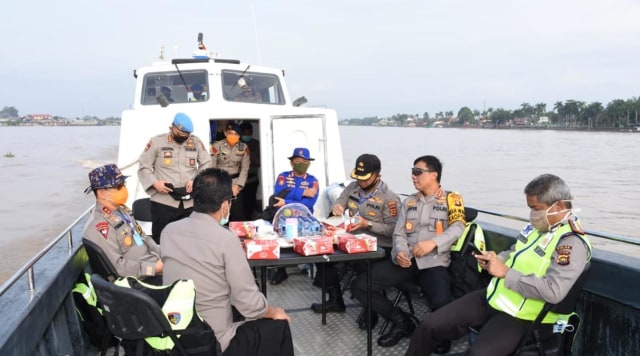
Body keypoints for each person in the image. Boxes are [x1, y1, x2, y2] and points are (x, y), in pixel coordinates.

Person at [406, 174, 592, 356]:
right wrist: (497, 259)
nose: (532, 215)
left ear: (558, 205)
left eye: (536, 208)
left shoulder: (571, 243)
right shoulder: (539, 228)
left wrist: (505, 272)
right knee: (429, 326)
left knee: (479, 353)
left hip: (524, 317)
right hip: (494, 296)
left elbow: (553, 291)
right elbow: (515, 250)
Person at [161, 168, 294, 356]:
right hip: (213, 339)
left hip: (177, 333)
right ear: (225, 205)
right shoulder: (226, 239)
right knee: (278, 326)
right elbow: (249, 303)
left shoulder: (168, 231)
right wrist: (274, 313)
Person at [351, 155, 466, 348]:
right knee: (360, 286)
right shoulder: (409, 202)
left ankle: (439, 334)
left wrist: (433, 243)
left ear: (433, 174)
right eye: (412, 172)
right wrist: (400, 253)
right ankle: (402, 321)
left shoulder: (452, 199)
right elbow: (399, 234)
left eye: (417, 172)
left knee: (441, 303)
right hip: (407, 261)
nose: (413, 177)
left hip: (434, 262)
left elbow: (458, 228)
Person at [310, 154, 400, 316]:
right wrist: (337, 207)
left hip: (379, 246)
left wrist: (368, 224)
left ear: (377, 175)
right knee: (322, 254)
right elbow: (340, 201)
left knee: (361, 265)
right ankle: (335, 299)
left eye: (365, 178)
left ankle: (370, 307)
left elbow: (393, 230)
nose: (361, 181)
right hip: (352, 240)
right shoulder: (353, 187)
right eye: (359, 177)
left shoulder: (390, 198)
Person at [82, 164, 162, 284]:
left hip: (154, 264)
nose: (123, 189)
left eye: (123, 184)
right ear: (101, 193)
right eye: (118, 186)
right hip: (141, 279)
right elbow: (118, 267)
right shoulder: (100, 226)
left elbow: (143, 237)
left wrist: (165, 255)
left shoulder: (122, 210)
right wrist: (154, 269)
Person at [138, 112, 212, 243]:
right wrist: (155, 183)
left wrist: (196, 179)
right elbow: (144, 167)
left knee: (192, 239)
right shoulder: (157, 142)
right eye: (179, 134)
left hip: (190, 201)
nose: (182, 138)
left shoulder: (195, 142)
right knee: (163, 239)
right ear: (172, 127)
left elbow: (206, 162)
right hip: (164, 201)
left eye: (185, 136)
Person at [269, 147, 320, 285]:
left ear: (309, 163)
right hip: (284, 217)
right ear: (292, 162)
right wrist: (302, 192)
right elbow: (279, 197)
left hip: (304, 218)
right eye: (298, 160)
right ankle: (280, 270)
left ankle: (317, 271)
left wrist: (287, 200)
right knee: (276, 232)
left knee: (314, 231)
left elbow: (309, 204)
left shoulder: (313, 181)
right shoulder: (283, 177)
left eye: (304, 161)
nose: (301, 163)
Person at [210, 123, 251, 221]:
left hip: (235, 183)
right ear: (225, 133)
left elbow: (245, 169)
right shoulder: (217, 146)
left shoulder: (243, 147)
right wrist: (216, 186)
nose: (233, 136)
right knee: (219, 216)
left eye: (236, 134)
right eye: (230, 133)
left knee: (238, 215)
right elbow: (211, 168)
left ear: (239, 136)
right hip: (219, 183)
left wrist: (238, 186)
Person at [240, 122, 260, 219]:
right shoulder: (237, 144)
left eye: (249, 133)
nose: (247, 135)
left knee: (251, 203)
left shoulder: (256, 144)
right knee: (240, 206)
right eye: (245, 133)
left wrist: (249, 161)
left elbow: (259, 161)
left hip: (252, 179)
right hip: (239, 181)